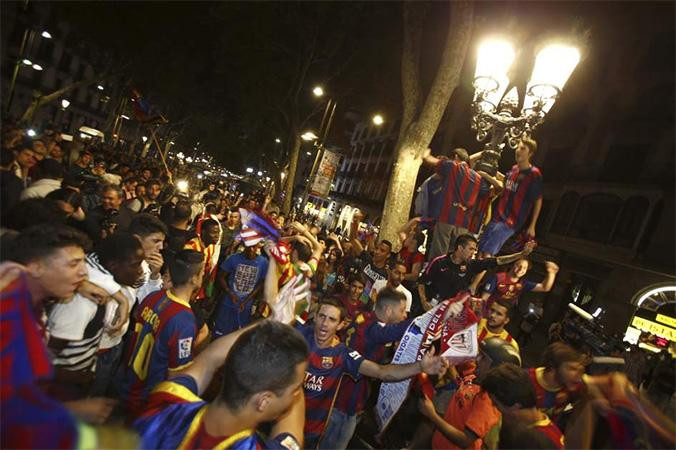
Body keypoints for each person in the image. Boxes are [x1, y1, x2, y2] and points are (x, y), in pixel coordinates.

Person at [0, 226, 114, 448]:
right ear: (35, 267)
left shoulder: (29, 297)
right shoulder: (7, 317)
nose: (84, 273)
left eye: (83, 263)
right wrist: (69, 411)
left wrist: (79, 285)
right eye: (73, 264)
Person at [297, 297, 447, 448]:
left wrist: (420, 366)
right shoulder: (299, 335)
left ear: (340, 325)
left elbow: (382, 372)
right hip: (282, 422)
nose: (324, 324)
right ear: (314, 317)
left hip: (311, 434)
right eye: (322, 317)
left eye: (331, 319)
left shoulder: (342, 355)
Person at [134, 320, 308, 449]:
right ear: (264, 401)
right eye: (295, 390)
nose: (296, 395)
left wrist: (271, 323)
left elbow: (210, 358)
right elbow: (291, 437)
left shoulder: (165, 401)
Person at [47, 232, 144, 400]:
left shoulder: (102, 280)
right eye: (136, 264)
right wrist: (80, 377)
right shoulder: (83, 302)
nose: (141, 270)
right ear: (113, 265)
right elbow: (44, 358)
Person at [322, 288, 413, 449]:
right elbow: (395, 332)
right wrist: (428, 320)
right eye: (402, 310)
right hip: (345, 403)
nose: (405, 315)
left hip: (340, 393)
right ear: (388, 310)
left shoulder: (363, 317)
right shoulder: (373, 329)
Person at [119, 249, 205, 418]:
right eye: (202, 272)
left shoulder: (153, 297)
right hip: (149, 399)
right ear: (194, 278)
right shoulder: (185, 320)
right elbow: (176, 375)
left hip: (128, 384)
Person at [419, 337, 521, 449]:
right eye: (479, 354)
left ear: (495, 368)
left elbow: (464, 440)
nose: (477, 359)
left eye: (483, 358)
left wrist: (432, 415)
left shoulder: (488, 402)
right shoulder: (475, 377)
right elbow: (465, 389)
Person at [419, 234, 535, 310]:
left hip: (451, 312)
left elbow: (497, 261)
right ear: (460, 248)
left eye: (475, 250)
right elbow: (421, 282)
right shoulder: (439, 262)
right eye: (471, 249)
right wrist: (424, 302)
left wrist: (520, 255)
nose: (473, 252)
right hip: (431, 307)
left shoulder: (471, 265)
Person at [478, 137, 543, 257]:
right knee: (480, 250)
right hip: (497, 216)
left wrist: (532, 225)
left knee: (488, 253)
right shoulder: (514, 169)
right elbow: (505, 185)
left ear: (531, 153)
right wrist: (488, 175)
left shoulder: (534, 174)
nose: (518, 150)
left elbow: (538, 200)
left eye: (523, 148)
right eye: (518, 147)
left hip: (511, 221)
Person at [421, 147, 486, 260]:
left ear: (456, 157)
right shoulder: (478, 178)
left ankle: (434, 275)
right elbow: (486, 191)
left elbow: (429, 160)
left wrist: (425, 152)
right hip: (464, 223)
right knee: (456, 255)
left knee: (439, 254)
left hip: (447, 217)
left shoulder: (453, 166)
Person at [481, 363, 564, 449]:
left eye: (496, 404)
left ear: (515, 406)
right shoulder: (522, 427)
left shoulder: (539, 443)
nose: (493, 406)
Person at [214, 243, 269, 337]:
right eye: (249, 246)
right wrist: (230, 293)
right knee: (220, 333)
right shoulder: (233, 258)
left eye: (254, 246)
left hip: (246, 306)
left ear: (258, 247)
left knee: (239, 335)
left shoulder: (263, 262)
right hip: (228, 302)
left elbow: (262, 283)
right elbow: (221, 277)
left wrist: (248, 299)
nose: (251, 249)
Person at [527, 342, 586, 420]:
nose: (578, 375)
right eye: (571, 369)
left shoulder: (574, 386)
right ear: (552, 368)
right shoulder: (526, 380)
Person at [480, 259, 559, 311]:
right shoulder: (497, 277)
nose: (521, 269)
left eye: (524, 268)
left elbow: (545, 288)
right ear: (513, 265)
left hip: (502, 317)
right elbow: (483, 299)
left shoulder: (523, 284)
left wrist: (551, 273)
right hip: (488, 312)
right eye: (519, 266)